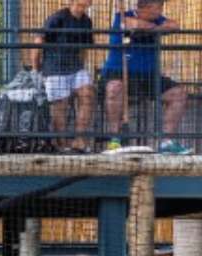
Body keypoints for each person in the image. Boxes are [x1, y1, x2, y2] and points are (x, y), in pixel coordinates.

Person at [101, 0, 191, 154]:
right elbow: (131, 24)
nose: (160, 12)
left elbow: (175, 25)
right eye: (157, 8)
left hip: (149, 76)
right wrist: (155, 29)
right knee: (114, 87)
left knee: (179, 94)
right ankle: (114, 139)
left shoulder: (156, 19)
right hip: (119, 73)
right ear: (144, 8)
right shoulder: (122, 15)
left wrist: (151, 27)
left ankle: (167, 142)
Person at [31, 0, 96, 153]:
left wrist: (82, 65)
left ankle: (79, 140)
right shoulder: (57, 18)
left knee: (87, 94)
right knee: (60, 105)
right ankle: (62, 144)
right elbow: (39, 40)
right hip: (54, 68)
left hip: (76, 67)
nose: (84, 5)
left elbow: (85, 47)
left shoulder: (86, 21)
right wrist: (35, 68)